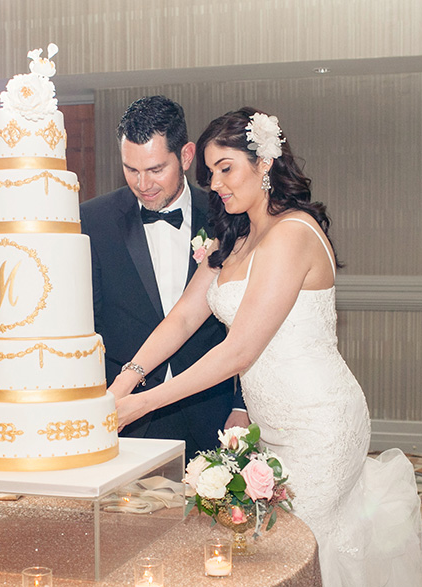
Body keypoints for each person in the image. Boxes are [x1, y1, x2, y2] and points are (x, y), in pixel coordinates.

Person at [109, 107, 422, 586]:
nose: (215, 184)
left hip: (319, 425)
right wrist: (123, 381)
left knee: (301, 556)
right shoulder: (233, 238)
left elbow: (239, 351)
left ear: (263, 163)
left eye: (226, 169)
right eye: (211, 172)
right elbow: (181, 318)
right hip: (270, 428)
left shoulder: (293, 233)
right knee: (269, 555)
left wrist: (141, 404)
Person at [80, 96, 244, 462]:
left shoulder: (226, 215)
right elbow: (86, 324)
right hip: (126, 413)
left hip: (210, 408)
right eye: (131, 170)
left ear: (186, 156)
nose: (143, 184)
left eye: (156, 169)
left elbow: (252, 321)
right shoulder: (94, 220)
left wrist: (242, 406)